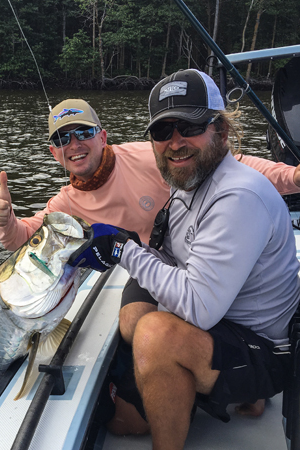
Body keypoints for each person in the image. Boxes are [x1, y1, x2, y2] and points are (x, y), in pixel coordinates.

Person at [0, 97, 300, 418]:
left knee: (205, 310)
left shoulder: (146, 155)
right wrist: (5, 221)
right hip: (148, 266)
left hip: (197, 253)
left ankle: (227, 387)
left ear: (103, 136)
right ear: (54, 153)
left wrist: (293, 177)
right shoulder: (64, 204)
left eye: (83, 133)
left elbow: (236, 166)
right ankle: (175, 388)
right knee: (131, 325)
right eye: (62, 139)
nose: (74, 144)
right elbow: (24, 239)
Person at [68, 69, 300, 449]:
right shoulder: (189, 182)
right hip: (229, 318)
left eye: (189, 126)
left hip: (265, 350)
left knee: (153, 336)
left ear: (220, 131)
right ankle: (218, 397)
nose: (175, 143)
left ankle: (181, 431)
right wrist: (130, 246)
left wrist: (121, 249)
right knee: (134, 318)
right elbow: (172, 255)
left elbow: (198, 307)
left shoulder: (238, 196)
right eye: (162, 132)